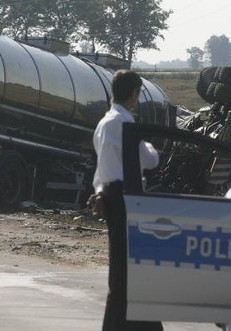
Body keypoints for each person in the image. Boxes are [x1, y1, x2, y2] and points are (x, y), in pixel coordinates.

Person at [88, 69, 163, 331]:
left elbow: (102, 169)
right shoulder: (124, 123)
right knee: (128, 271)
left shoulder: (104, 123)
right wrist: (148, 142)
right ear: (133, 93)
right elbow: (151, 160)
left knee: (125, 269)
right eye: (138, 93)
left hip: (111, 195)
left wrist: (99, 191)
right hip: (127, 198)